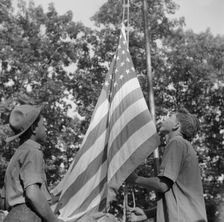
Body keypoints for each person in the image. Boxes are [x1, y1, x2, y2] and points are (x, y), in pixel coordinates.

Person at [127, 108, 207, 222]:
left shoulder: (177, 142)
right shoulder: (184, 145)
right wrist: (146, 214)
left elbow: (162, 185)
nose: (165, 118)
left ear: (176, 125)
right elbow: (176, 198)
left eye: (170, 116)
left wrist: (135, 179)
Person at [0, 104, 64, 222]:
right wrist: (54, 220)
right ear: (34, 128)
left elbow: (3, 202)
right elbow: (32, 193)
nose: (45, 129)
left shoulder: (17, 155)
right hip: (28, 216)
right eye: (43, 125)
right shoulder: (33, 152)